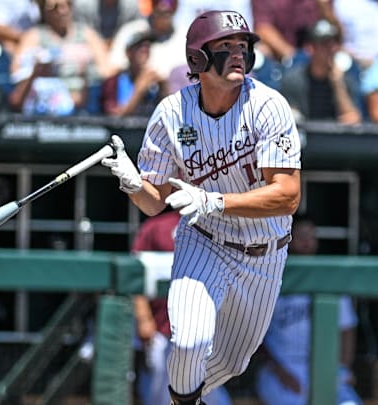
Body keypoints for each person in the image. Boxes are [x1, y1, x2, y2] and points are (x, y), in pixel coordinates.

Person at [101, 10, 301, 404]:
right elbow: (153, 203)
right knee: (189, 342)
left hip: (264, 254)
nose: (239, 54)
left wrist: (215, 200)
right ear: (198, 59)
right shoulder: (172, 113)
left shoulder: (268, 106)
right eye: (226, 47)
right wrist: (132, 185)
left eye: (243, 46)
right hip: (204, 241)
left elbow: (288, 195)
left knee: (229, 364)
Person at [253, 216, 361, 405]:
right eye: (301, 236)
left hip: (324, 366)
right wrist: (279, 370)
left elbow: (347, 331)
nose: (307, 242)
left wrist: (342, 368)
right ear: (289, 238)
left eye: (311, 237)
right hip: (282, 367)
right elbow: (254, 336)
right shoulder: (270, 275)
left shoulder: (330, 278)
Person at [131, 210, 232, 405]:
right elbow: (134, 276)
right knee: (161, 391)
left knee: (209, 391)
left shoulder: (218, 224)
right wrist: (144, 319)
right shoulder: (157, 226)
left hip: (206, 331)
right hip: (163, 330)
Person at [8, 0, 115, 116]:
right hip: (46, 106)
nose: (62, 11)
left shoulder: (87, 34)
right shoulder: (33, 36)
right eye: (55, 7)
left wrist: (85, 67)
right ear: (44, 10)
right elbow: (16, 71)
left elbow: (106, 70)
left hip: (83, 105)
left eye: (67, 4)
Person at [278, 19, 362, 124]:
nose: (331, 49)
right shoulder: (293, 81)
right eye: (325, 44)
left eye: (334, 43)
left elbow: (353, 119)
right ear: (311, 48)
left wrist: (338, 85)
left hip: (335, 138)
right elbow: (288, 118)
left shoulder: (346, 80)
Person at [101, 28, 168, 117]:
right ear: (128, 52)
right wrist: (139, 90)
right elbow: (115, 117)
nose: (145, 49)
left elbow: (168, 113)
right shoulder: (113, 82)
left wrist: (164, 88)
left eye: (147, 46)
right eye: (139, 46)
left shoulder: (155, 82)